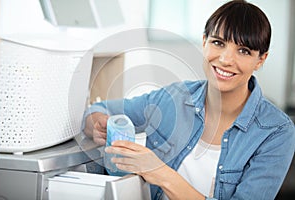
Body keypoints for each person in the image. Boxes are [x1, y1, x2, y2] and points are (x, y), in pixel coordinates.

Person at [83, 0, 295, 199]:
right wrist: (96, 123)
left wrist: (157, 171)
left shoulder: (276, 131)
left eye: (243, 51)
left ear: (260, 60)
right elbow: (99, 109)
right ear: (204, 42)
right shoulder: (174, 97)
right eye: (218, 43)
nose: (225, 59)